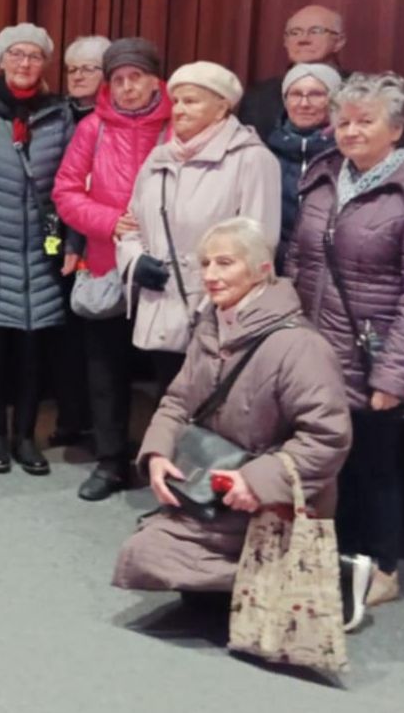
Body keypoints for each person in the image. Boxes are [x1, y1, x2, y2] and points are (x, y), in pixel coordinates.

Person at [112, 218, 368, 631]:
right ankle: (288, 577)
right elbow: (177, 402)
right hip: (215, 491)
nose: (210, 275)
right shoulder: (211, 326)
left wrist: (256, 481)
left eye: (225, 263)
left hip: (273, 499)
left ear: (262, 270)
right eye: (205, 263)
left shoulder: (299, 345)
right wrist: (157, 454)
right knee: (143, 554)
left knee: (174, 566)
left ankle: (329, 574)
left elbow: (327, 438)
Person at [288, 72, 404, 611]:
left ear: (398, 128)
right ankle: (332, 558)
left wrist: (394, 375)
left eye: (365, 121)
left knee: (374, 467)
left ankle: (383, 566)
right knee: (325, 460)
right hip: (315, 348)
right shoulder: (324, 177)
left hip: (373, 355)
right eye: (343, 121)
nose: (351, 131)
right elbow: (297, 261)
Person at [53, 37, 174, 500]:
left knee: (170, 375)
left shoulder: (178, 126)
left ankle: (168, 463)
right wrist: (109, 221)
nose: (126, 87)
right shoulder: (93, 129)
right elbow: (66, 191)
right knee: (105, 370)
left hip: (165, 271)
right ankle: (110, 462)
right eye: (118, 79)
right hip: (107, 265)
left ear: (154, 80)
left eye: (135, 78)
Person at [116, 62, 281, 388]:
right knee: (169, 400)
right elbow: (129, 224)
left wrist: (215, 298)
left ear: (222, 107)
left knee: (212, 408)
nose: (179, 109)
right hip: (161, 307)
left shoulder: (251, 159)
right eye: (176, 101)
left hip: (217, 314)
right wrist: (135, 261)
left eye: (191, 101)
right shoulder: (158, 159)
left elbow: (260, 243)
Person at [0, 24, 73, 475]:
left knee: (34, 352)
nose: (24, 63)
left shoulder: (60, 114)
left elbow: (70, 182)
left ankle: (25, 437)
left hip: (42, 250)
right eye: (15, 54)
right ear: (1, 61)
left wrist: (64, 243)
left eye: (33, 55)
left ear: (45, 63)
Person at [44, 34, 113, 449]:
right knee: (64, 334)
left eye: (89, 68)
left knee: (98, 338)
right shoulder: (57, 114)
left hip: (100, 238)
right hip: (56, 236)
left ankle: (100, 428)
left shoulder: (114, 120)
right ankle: (70, 418)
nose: (79, 75)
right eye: (72, 69)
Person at [266, 61, 340, 271]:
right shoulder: (265, 152)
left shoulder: (349, 154)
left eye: (316, 94)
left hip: (329, 267)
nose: (304, 103)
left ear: (335, 101)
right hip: (275, 265)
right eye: (296, 94)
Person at [238, 4, 348, 140]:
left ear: (339, 41)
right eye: (295, 33)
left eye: (316, 31)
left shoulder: (363, 91)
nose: (303, 39)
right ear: (285, 42)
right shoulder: (258, 98)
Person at [62, 35, 110, 118]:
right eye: (72, 69)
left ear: (107, 73)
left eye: (87, 69)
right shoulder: (54, 113)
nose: (77, 77)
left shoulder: (120, 115)